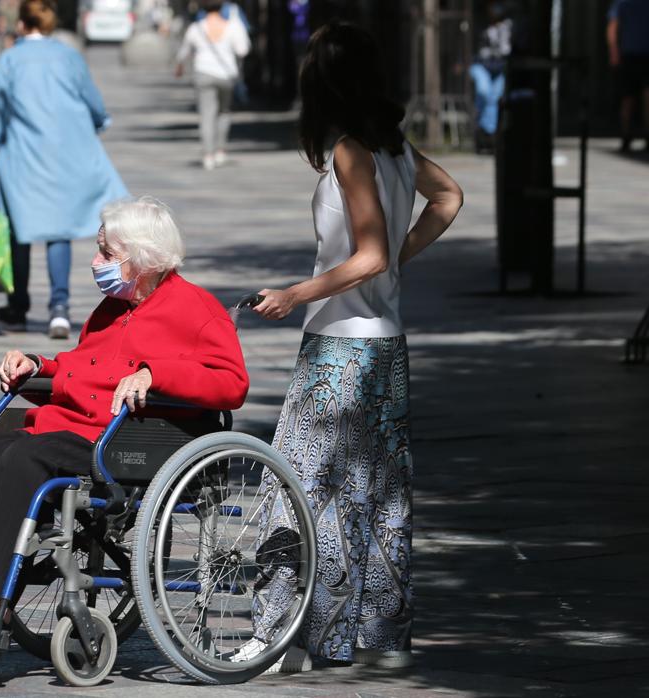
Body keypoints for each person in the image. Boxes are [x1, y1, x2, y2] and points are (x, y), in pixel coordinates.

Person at [0, 197, 249, 635]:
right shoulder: (112, 309)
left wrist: (157, 374)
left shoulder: (196, 308)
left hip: (124, 440)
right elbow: (81, 369)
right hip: (74, 428)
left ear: (144, 259)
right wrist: (36, 368)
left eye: (107, 254)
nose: (96, 262)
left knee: (24, 459)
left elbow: (232, 384)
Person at [246, 23, 463, 672]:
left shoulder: (350, 150)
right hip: (386, 347)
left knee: (299, 490)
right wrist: (399, 257)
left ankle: (282, 634)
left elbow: (367, 254)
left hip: (340, 350)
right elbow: (448, 197)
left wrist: (295, 293)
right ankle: (354, 632)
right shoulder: (395, 149)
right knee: (370, 494)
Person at [0, 0, 128, 340]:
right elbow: (95, 106)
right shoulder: (69, 56)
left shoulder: (9, 60)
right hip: (62, 157)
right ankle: (60, 309)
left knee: (17, 232)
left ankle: (17, 307)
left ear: (22, 24)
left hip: (19, 158)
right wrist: (95, 123)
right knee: (58, 230)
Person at [173, 0, 250, 170]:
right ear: (221, 7)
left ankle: (208, 155)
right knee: (224, 112)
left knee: (207, 115)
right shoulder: (232, 27)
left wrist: (179, 66)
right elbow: (242, 50)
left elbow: (184, 51)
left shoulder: (196, 28)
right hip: (226, 75)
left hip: (203, 73)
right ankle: (220, 151)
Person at [469, 3, 512, 153]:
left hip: (500, 68)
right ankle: (480, 130)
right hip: (481, 65)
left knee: (495, 98)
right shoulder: (478, 22)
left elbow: (506, 49)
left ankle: (489, 134)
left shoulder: (507, 25)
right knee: (484, 92)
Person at [608, 0, 649, 153]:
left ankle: (630, 135)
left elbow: (612, 27)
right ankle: (627, 135)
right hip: (631, 55)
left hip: (633, 55)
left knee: (630, 98)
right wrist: (614, 51)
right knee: (629, 98)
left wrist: (614, 51)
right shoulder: (623, 3)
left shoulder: (622, 3)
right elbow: (613, 26)